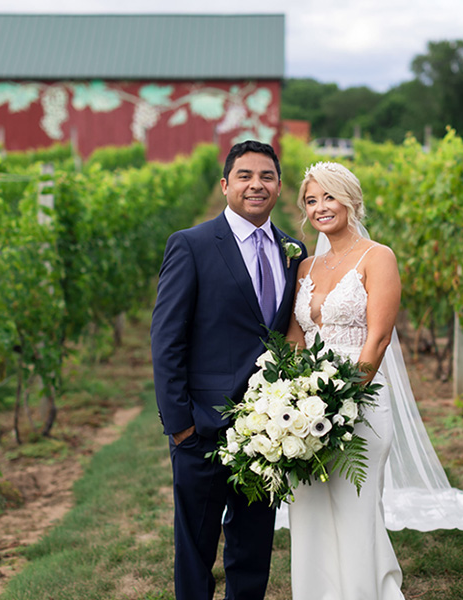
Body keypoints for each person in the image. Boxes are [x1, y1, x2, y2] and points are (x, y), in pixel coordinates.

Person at [283, 161, 463, 598]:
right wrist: (291, 397)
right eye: (312, 201)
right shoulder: (305, 267)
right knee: (307, 507)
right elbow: (296, 337)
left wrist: (341, 400)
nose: (320, 207)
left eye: (329, 197)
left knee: (355, 507)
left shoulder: (378, 257)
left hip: (359, 401)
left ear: (350, 199)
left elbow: (379, 337)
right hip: (306, 402)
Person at [151, 140, 307, 600]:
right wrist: (181, 426)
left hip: (269, 430)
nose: (256, 184)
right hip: (201, 427)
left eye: (267, 176)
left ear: (279, 186)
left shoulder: (292, 251)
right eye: (245, 175)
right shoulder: (192, 245)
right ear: (225, 185)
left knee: (253, 547)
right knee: (196, 550)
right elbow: (166, 340)